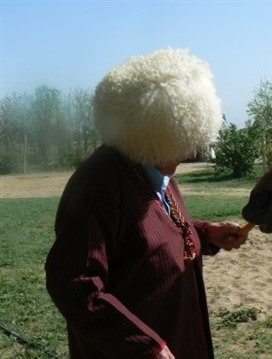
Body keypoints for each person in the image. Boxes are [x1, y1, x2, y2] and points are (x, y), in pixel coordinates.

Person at [45, 48, 248, 359]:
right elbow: (74, 284)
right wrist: (144, 346)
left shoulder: (150, 165)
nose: (191, 153)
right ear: (153, 132)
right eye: (183, 142)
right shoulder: (98, 186)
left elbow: (150, 234)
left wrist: (206, 233)